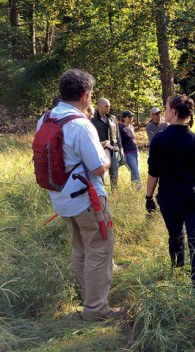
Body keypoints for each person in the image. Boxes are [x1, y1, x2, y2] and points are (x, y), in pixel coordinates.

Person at [36, 69, 122, 321]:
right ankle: (96, 309)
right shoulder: (81, 125)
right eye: (92, 93)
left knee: (79, 248)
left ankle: (89, 297)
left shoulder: (46, 119)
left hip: (61, 197)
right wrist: (106, 153)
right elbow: (98, 167)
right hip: (87, 199)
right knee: (99, 249)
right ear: (85, 94)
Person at [146, 94, 195, 290]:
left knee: (175, 235)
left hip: (170, 198)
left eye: (166, 108)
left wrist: (148, 197)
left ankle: (176, 271)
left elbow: (153, 173)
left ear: (173, 112)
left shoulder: (159, 140)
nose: (164, 111)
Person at [91, 97, 123, 191]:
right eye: (106, 106)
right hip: (100, 150)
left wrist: (121, 149)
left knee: (114, 173)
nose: (108, 108)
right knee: (101, 174)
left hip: (113, 149)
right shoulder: (93, 119)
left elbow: (117, 135)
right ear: (99, 106)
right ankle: (101, 193)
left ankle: (115, 192)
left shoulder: (113, 118)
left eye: (109, 106)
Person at [119, 110, 141, 190]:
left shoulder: (131, 127)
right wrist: (122, 153)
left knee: (134, 172)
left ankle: (134, 190)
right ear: (124, 118)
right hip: (128, 153)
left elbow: (133, 139)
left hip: (135, 151)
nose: (131, 118)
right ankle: (139, 188)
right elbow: (120, 142)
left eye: (132, 116)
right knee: (135, 172)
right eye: (129, 117)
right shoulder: (120, 128)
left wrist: (137, 150)